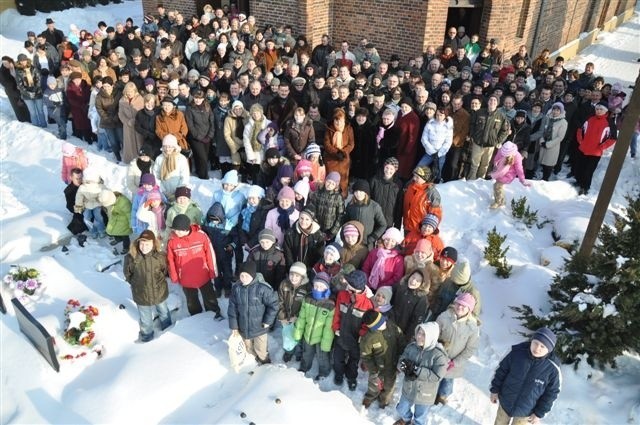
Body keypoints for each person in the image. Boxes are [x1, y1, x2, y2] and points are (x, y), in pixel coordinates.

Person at [490, 328, 562, 425]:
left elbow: (551, 394)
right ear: (531, 341)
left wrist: (539, 413)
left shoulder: (552, 370)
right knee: (499, 422)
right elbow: (501, 371)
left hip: (526, 411)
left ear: (549, 350)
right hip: (506, 401)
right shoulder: (516, 354)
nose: (537, 348)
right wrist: (494, 390)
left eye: (542, 346)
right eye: (535, 343)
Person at [166, 214, 223, 319]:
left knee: (209, 297)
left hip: (203, 275)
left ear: (186, 228)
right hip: (186, 278)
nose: (176, 232)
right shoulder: (172, 241)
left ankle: (214, 313)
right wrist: (174, 275)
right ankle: (196, 317)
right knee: (191, 301)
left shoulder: (201, 236)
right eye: (175, 229)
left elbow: (210, 253)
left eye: (178, 230)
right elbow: (170, 260)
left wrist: (212, 271)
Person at [394, 322, 447, 425]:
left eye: (423, 334)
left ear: (431, 336)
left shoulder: (439, 355)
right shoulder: (411, 347)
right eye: (418, 332)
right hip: (409, 388)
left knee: (420, 416)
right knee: (401, 408)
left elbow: (437, 376)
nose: (419, 336)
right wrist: (403, 366)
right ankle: (406, 419)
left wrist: (416, 370)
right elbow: (402, 359)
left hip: (425, 393)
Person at [123, 230, 172, 342]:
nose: (144, 247)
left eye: (147, 244)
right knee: (145, 318)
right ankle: (147, 335)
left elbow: (164, 271)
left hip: (159, 291)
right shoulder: (131, 258)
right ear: (138, 243)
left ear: (153, 244)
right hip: (141, 293)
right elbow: (128, 274)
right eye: (142, 244)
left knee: (163, 311)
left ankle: (168, 330)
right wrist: (136, 284)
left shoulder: (160, 257)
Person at [228, 261, 279, 365]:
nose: (244, 278)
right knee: (248, 347)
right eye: (242, 275)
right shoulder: (237, 288)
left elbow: (274, 304)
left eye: (247, 276)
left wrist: (267, 321)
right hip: (243, 327)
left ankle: (265, 362)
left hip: (259, 327)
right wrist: (234, 326)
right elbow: (232, 308)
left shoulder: (262, 288)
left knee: (261, 348)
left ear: (253, 275)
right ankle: (253, 359)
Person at [332, 270, 375, 390]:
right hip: (341, 334)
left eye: (349, 283)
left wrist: (361, 335)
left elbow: (367, 324)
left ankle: (351, 377)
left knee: (353, 361)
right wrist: (336, 327)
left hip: (355, 340)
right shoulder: (342, 295)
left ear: (356, 288)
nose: (346, 283)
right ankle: (339, 373)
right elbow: (337, 313)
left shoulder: (367, 305)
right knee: (337, 358)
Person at [434, 293, 479, 405]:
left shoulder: (472, 327)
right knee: (435, 377)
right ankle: (432, 394)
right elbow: (434, 335)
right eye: (458, 304)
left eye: (464, 306)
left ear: (469, 309)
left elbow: (470, 349)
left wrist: (455, 362)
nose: (460, 307)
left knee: (447, 380)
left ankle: (443, 396)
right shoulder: (444, 317)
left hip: (454, 362)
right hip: (439, 356)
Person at [294, 271, 335, 380]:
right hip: (308, 335)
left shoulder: (329, 305)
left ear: (326, 288)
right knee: (306, 354)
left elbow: (328, 328)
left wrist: (326, 343)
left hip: (321, 339)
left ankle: (324, 372)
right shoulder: (308, 299)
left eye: (321, 287)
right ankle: (304, 367)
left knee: (322, 358)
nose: (317, 289)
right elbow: (302, 318)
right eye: (316, 285)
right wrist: (298, 333)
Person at [360, 309, 405, 409]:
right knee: (374, 384)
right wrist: (373, 370)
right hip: (377, 368)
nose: (384, 324)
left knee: (389, 386)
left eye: (384, 321)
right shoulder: (368, 338)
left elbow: (402, 342)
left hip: (392, 366)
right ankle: (370, 396)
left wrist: (401, 360)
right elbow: (366, 356)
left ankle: (384, 400)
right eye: (380, 325)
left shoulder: (392, 327)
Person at [575, 102, 617, 195]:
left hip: (595, 152)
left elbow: (613, 138)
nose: (598, 111)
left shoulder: (609, 122)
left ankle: (585, 187)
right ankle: (579, 182)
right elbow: (580, 130)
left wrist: (602, 147)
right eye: (597, 109)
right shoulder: (590, 118)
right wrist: (580, 140)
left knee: (588, 170)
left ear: (605, 110)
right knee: (580, 167)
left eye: (601, 109)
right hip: (583, 148)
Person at [277, 261, 310, 362]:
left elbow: (307, 306)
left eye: (297, 276)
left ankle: (298, 352)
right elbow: (279, 302)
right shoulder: (284, 284)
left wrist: (297, 317)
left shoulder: (306, 288)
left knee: (298, 337)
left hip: (299, 318)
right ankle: (289, 352)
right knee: (287, 336)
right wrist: (282, 317)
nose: (293, 278)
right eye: (292, 274)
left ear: (302, 277)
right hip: (286, 318)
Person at [390, 269, 432, 345]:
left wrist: (406, 338)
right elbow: (391, 302)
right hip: (390, 323)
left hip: (401, 332)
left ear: (422, 284)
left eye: (417, 281)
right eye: (413, 277)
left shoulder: (421, 299)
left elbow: (415, 321)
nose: (413, 281)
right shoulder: (401, 286)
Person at [344, 179, 387, 249]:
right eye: (356, 191)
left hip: (367, 244)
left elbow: (383, 225)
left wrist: (372, 238)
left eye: (361, 191)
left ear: (366, 193)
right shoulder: (350, 205)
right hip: (352, 242)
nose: (358, 194)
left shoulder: (374, 206)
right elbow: (345, 222)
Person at [184, 89, 215, 179]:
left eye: (200, 98)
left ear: (203, 99)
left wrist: (209, 136)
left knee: (202, 157)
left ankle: (199, 171)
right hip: (196, 138)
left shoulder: (207, 107)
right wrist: (198, 137)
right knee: (203, 158)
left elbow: (212, 122)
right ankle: (204, 177)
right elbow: (190, 125)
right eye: (196, 98)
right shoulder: (190, 108)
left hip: (207, 137)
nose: (197, 100)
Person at [490, 141, 531, 209]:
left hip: (509, 175)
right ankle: (502, 200)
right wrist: (495, 165)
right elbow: (496, 158)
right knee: (499, 187)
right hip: (499, 171)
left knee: (497, 186)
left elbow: (519, 169)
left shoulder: (517, 156)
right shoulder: (501, 150)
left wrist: (522, 180)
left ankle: (498, 202)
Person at [324, 108, 354, 198]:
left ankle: (342, 197)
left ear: (344, 120)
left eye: (340, 120)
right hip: (331, 159)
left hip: (344, 159)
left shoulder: (349, 129)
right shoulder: (329, 129)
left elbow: (351, 144)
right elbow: (327, 143)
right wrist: (336, 152)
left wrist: (343, 152)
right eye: (336, 120)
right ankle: (329, 196)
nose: (338, 123)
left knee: (343, 180)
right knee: (331, 179)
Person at [402, 166, 442, 235]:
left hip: (421, 230)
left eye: (418, 177)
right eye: (414, 176)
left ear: (425, 179)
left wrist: (428, 230)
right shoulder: (409, 186)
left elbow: (436, 215)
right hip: (407, 227)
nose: (414, 179)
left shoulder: (431, 193)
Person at [152, 134, 190, 202]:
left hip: (178, 193)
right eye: (165, 146)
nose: (167, 149)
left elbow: (185, 176)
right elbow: (155, 175)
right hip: (163, 192)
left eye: (170, 146)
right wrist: (162, 190)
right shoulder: (159, 158)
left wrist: (178, 191)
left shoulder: (181, 158)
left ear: (174, 147)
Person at [308, 171, 344, 241]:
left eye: (333, 184)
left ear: (336, 186)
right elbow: (312, 207)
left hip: (329, 230)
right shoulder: (318, 192)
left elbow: (340, 216)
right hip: (316, 226)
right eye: (328, 182)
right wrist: (313, 222)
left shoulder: (338, 197)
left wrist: (332, 232)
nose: (330, 185)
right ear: (325, 181)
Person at [370, 157, 403, 229]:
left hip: (389, 222)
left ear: (395, 170)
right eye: (387, 167)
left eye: (391, 169)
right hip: (374, 219)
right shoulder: (375, 180)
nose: (388, 171)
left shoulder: (398, 184)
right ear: (384, 167)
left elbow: (399, 205)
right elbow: (369, 199)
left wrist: (397, 226)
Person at [14, 54, 46, 128]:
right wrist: (28, 93)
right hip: (26, 95)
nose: (23, 62)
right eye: (21, 61)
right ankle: (35, 126)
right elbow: (20, 85)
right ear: (19, 62)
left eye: (24, 60)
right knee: (32, 112)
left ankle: (44, 125)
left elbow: (39, 79)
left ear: (27, 60)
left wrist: (36, 90)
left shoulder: (33, 68)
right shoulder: (18, 71)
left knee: (40, 111)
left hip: (37, 92)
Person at [74, 167, 106, 239]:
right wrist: (79, 205)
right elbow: (79, 196)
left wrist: (102, 200)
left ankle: (101, 231)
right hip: (87, 205)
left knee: (98, 218)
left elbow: (105, 194)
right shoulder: (83, 187)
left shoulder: (100, 186)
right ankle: (94, 231)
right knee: (87, 218)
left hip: (97, 204)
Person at [119, 82, 145, 163]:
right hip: (127, 126)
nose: (129, 93)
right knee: (129, 144)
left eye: (131, 91)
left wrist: (135, 120)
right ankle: (130, 159)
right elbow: (120, 114)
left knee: (140, 142)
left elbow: (143, 112)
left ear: (135, 91)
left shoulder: (140, 99)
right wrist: (127, 122)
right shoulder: (122, 100)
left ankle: (141, 159)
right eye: (127, 91)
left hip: (138, 125)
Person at [99, 189, 132, 255]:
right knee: (112, 230)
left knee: (124, 234)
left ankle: (126, 246)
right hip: (115, 218)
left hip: (124, 220)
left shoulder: (124, 202)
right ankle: (118, 239)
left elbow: (129, 214)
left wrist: (131, 225)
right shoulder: (111, 200)